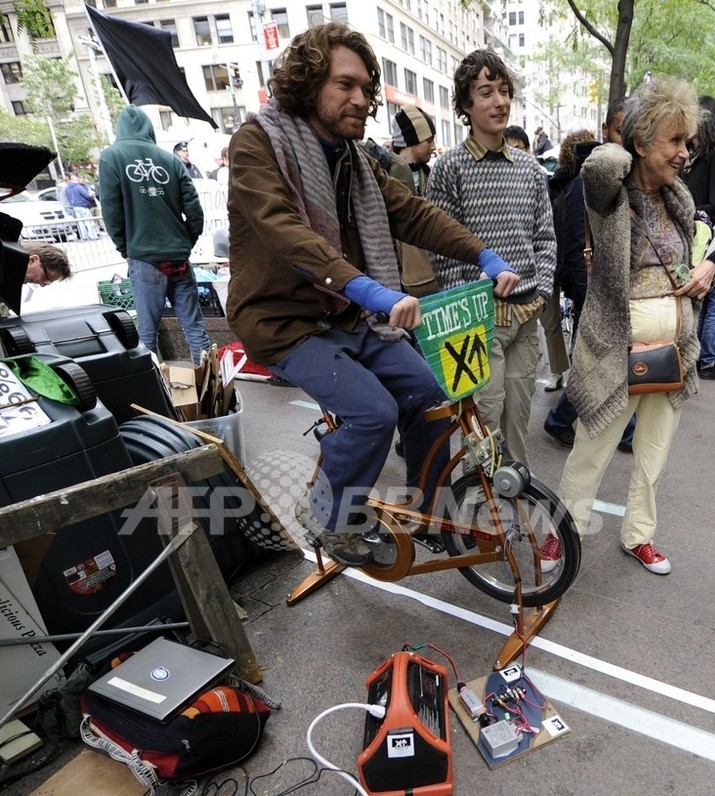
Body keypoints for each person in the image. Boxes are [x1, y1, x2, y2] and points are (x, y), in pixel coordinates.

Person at [225, 22, 518, 567]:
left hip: (348, 313)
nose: (360, 98)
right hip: (283, 322)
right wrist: (369, 290)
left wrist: (483, 254)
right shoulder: (257, 142)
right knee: (372, 412)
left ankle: (428, 511)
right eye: (345, 85)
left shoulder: (354, 159)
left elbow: (412, 213)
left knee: (431, 395)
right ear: (308, 84)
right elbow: (285, 231)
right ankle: (327, 515)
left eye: (366, 88)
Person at [539, 78, 715, 578]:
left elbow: (687, 257)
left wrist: (704, 271)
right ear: (641, 142)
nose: (684, 153)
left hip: (673, 346)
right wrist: (634, 136)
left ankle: (639, 534)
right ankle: (562, 532)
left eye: (687, 141)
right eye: (674, 140)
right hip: (616, 347)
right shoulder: (610, 191)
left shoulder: (678, 197)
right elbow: (599, 162)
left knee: (654, 451)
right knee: (592, 445)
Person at [427, 48, 556, 470]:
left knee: (518, 421)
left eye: (504, 91)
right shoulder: (449, 168)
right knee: (482, 424)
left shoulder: (531, 170)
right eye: (486, 92)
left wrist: (542, 291)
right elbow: (440, 249)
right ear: (465, 104)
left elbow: (545, 238)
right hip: (474, 322)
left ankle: (516, 501)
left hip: (527, 315)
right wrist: (468, 300)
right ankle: (477, 505)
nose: (499, 101)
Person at [544, 100, 637, 452]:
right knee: (603, 362)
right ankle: (618, 430)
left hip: (614, 288)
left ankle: (564, 419)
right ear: (606, 130)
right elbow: (574, 248)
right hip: (593, 291)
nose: (627, 139)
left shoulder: (625, 176)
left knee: (602, 362)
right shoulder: (585, 181)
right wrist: (588, 298)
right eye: (621, 131)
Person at [99, 106, 211, 364]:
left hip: (144, 257)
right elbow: (194, 210)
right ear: (149, 129)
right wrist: (186, 242)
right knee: (195, 328)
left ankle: (154, 386)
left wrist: (125, 247)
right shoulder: (171, 160)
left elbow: (111, 211)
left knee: (148, 334)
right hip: (178, 256)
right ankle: (209, 382)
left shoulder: (111, 157)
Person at [541, 129, 596, 393]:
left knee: (564, 318)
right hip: (556, 261)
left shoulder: (587, 183)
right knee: (552, 319)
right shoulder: (557, 185)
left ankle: (565, 370)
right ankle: (557, 370)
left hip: (572, 262)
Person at [681, 94, 715, 379]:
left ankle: (705, 360)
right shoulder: (692, 158)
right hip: (695, 241)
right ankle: (698, 359)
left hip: (709, 244)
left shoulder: (712, 158)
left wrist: (694, 212)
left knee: (712, 302)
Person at [65, 171, 99, 240]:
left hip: (75, 207)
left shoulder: (67, 188)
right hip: (83, 206)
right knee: (88, 221)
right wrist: (92, 196)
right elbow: (87, 196)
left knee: (81, 222)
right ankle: (93, 235)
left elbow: (68, 198)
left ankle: (84, 236)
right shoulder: (79, 187)